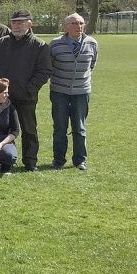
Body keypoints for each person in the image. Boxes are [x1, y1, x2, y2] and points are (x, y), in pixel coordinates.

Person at [0, 9, 51, 171]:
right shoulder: (2, 42)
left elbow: (44, 71)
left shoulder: (40, 45)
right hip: (3, 97)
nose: (16, 25)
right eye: (14, 22)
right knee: (3, 129)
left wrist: (30, 88)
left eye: (21, 22)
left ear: (30, 24)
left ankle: (30, 162)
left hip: (26, 96)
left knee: (29, 130)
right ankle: (5, 160)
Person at [49, 13, 98, 170]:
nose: (79, 26)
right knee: (60, 127)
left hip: (82, 92)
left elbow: (92, 65)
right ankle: (58, 159)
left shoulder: (92, 43)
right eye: (75, 23)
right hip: (59, 91)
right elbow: (49, 66)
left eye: (81, 23)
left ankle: (80, 160)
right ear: (66, 26)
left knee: (80, 127)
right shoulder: (55, 44)